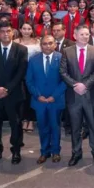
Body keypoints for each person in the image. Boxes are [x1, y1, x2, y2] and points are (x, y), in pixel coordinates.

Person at [0, 21, 28, 166]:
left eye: (8, 31)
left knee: (16, 124)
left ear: (13, 32)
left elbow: (21, 72)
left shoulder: (21, 49)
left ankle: (16, 151)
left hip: (13, 94)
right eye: (2, 31)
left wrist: (7, 89)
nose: (5, 34)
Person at [59, 24, 94, 166]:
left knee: (93, 126)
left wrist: (85, 85)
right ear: (75, 36)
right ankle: (76, 153)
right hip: (74, 96)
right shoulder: (67, 51)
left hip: (90, 95)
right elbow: (63, 72)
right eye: (82, 34)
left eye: (87, 34)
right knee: (75, 127)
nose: (85, 36)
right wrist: (74, 85)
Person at [25, 35, 66, 164]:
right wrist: (38, 96)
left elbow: (65, 80)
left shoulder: (61, 58)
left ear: (55, 44)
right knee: (42, 127)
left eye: (50, 43)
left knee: (55, 126)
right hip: (39, 101)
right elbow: (29, 80)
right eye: (44, 44)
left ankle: (56, 152)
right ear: (40, 45)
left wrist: (54, 96)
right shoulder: (33, 60)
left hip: (55, 100)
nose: (47, 46)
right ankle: (44, 152)